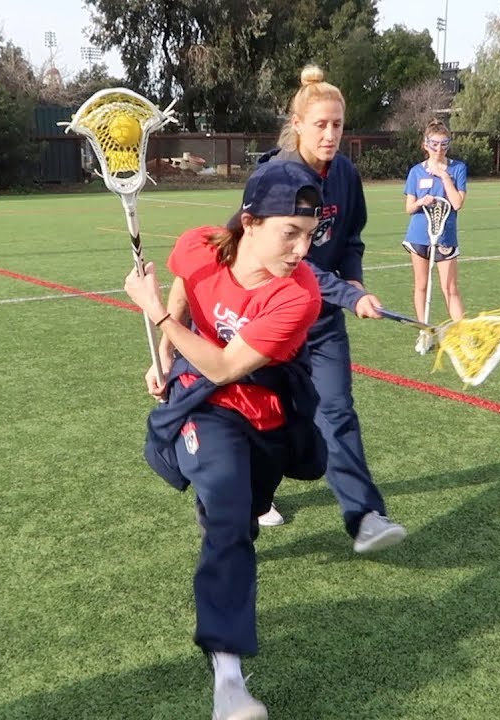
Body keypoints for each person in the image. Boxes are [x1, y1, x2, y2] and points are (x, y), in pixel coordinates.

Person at [132, 160, 328, 720]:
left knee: (245, 511)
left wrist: (160, 323)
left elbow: (223, 364)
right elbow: (184, 282)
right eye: (289, 232)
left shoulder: (299, 295)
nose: (301, 249)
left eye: (309, 236)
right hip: (208, 408)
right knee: (227, 519)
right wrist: (169, 336)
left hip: (266, 411)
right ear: (249, 221)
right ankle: (229, 681)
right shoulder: (199, 244)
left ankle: (238, 505)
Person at [254, 65, 407, 552]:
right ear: (297, 124)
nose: (330, 134)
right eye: (320, 124)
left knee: (336, 414)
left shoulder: (345, 174)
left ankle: (365, 517)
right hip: (269, 318)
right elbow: (289, 262)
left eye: (337, 124)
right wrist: (350, 295)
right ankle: (245, 500)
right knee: (266, 420)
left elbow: (351, 237)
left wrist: (354, 276)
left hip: (319, 325)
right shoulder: (277, 178)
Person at [402, 118, 468, 347]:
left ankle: (462, 333)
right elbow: (409, 208)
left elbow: (458, 203)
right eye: (434, 144)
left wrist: (444, 176)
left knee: (449, 287)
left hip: (445, 236)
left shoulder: (457, 168)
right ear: (425, 144)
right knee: (421, 285)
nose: (439, 149)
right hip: (419, 236)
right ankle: (424, 331)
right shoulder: (415, 172)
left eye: (443, 144)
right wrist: (422, 201)